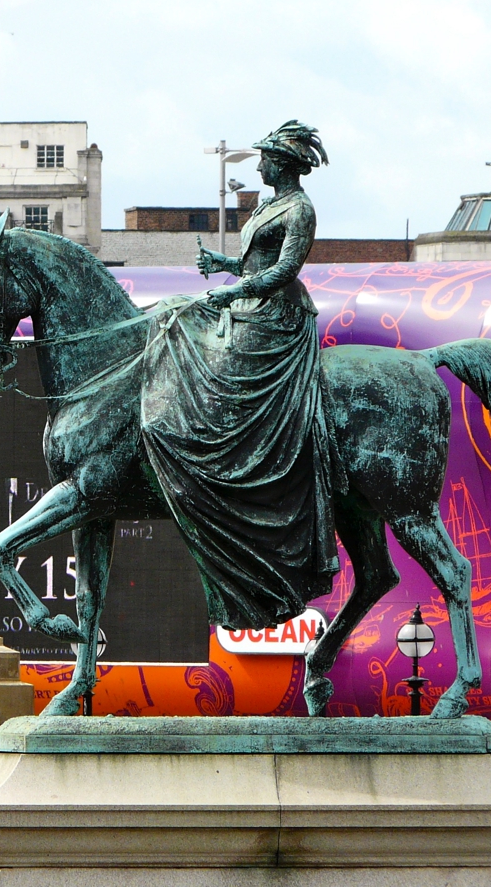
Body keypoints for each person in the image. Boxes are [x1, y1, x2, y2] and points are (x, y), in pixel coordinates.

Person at [139, 120, 339, 630]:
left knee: (199, 340)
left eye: (267, 157)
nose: (259, 165)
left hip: (278, 316)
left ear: (286, 164)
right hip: (250, 301)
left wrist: (233, 291)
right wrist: (224, 264)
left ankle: (223, 450)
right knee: (172, 312)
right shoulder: (267, 205)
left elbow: (283, 272)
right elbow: (256, 261)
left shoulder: (300, 209)